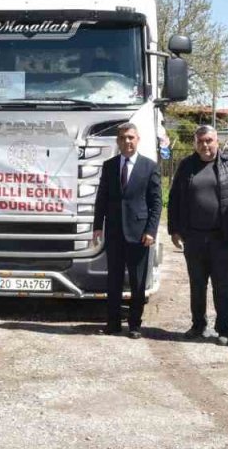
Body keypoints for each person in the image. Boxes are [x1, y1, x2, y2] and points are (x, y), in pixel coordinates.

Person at [167, 125, 228, 346]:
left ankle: (224, 328)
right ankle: (198, 325)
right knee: (197, 284)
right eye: (201, 141)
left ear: (217, 141)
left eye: (209, 140)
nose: (205, 145)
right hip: (193, 237)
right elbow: (174, 199)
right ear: (195, 143)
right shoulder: (186, 166)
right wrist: (174, 229)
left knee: (222, 285)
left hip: (222, 238)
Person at [93, 123, 162, 339]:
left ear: (138, 139)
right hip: (114, 233)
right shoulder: (110, 165)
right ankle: (112, 323)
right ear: (118, 141)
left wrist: (151, 230)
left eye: (131, 137)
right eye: (122, 138)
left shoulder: (149, 166)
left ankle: (134, 324)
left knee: (137, 282)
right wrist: (97, 226)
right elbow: (102, 198)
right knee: (113, 280)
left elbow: (156, 202)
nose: (127, 141)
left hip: (139, 234)